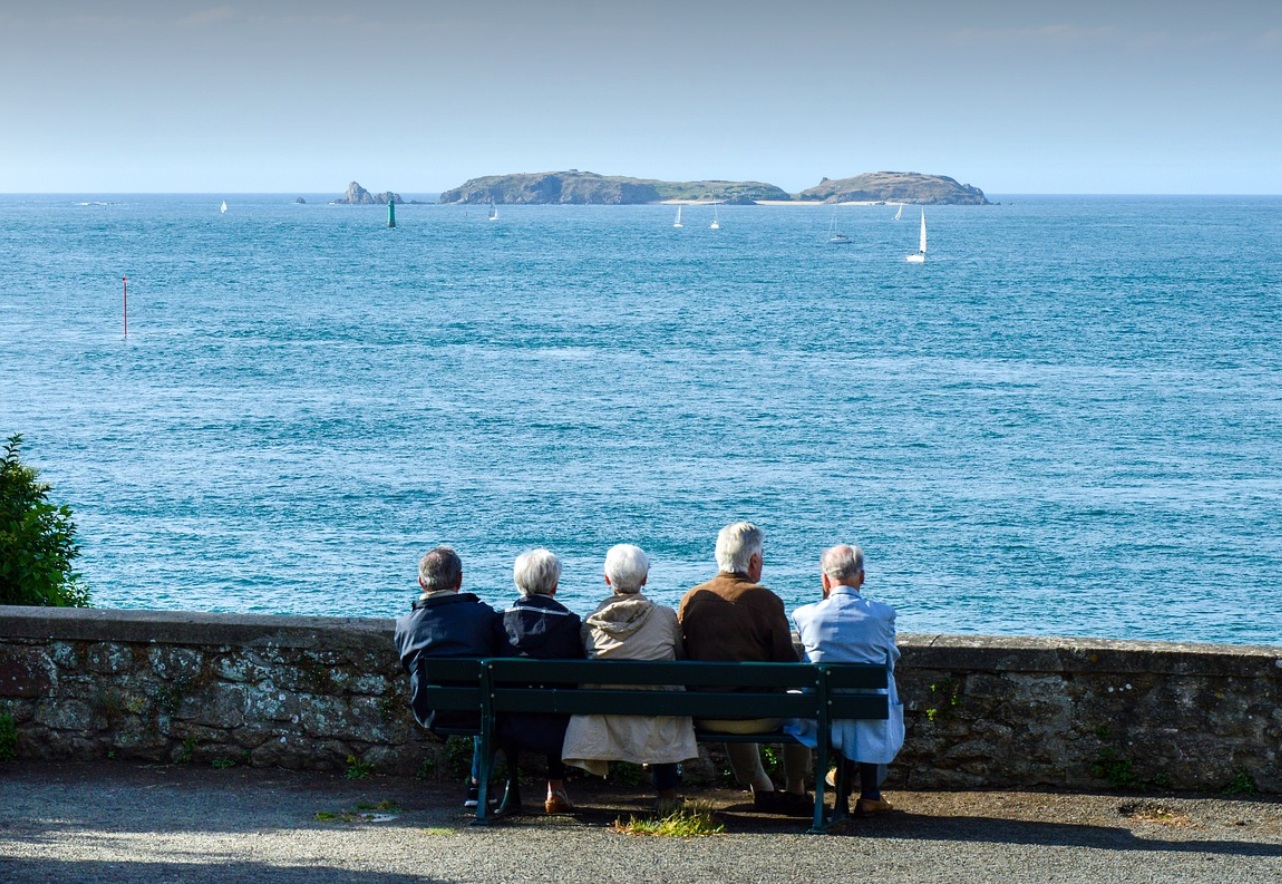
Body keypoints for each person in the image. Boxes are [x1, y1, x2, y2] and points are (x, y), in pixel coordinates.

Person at [677, 522, 811, 814]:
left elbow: (682, 655)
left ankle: (761, 787)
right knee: (800, 701)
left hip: (706, 714)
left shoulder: (692, 599)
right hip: (757, 716)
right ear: (752, 561)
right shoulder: (765, 600)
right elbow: (788, 665)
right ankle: (796, 788)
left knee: (728, 693)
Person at [561, 544, 698, 812]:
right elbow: (679, 657)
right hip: (659, 715)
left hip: (605, 718)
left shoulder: (590, 623)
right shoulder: (666, 617)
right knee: (663, 702)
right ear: (645, 579)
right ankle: (667, 794)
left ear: (607, 579)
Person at [791, 544, 904, 816]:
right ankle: (870, 795)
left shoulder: (804, 615)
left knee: (843, 712)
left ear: (825, 579)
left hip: (820, 714)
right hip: (868, 712)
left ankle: (845, 787)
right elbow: (889, 662)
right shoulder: (882, 614)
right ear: (862, 577)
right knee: (872, 701)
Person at [393, 545, 504, 809]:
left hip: (431, 710)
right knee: (486, 700)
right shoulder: (483, 616)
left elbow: (407, 665)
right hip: (480, 710)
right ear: (459, 580)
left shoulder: (405, 624)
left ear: (421, 581)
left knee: (481, 699)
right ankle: (478, 785)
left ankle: (477, 787)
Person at [497, 548, 586, 815]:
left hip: (507, 723)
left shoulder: (499, 622)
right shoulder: (570, 624)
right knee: (557, 699)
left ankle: (511, 786)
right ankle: (555, 787)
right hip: (558, 725)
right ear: (555, 586)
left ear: (518, 582)